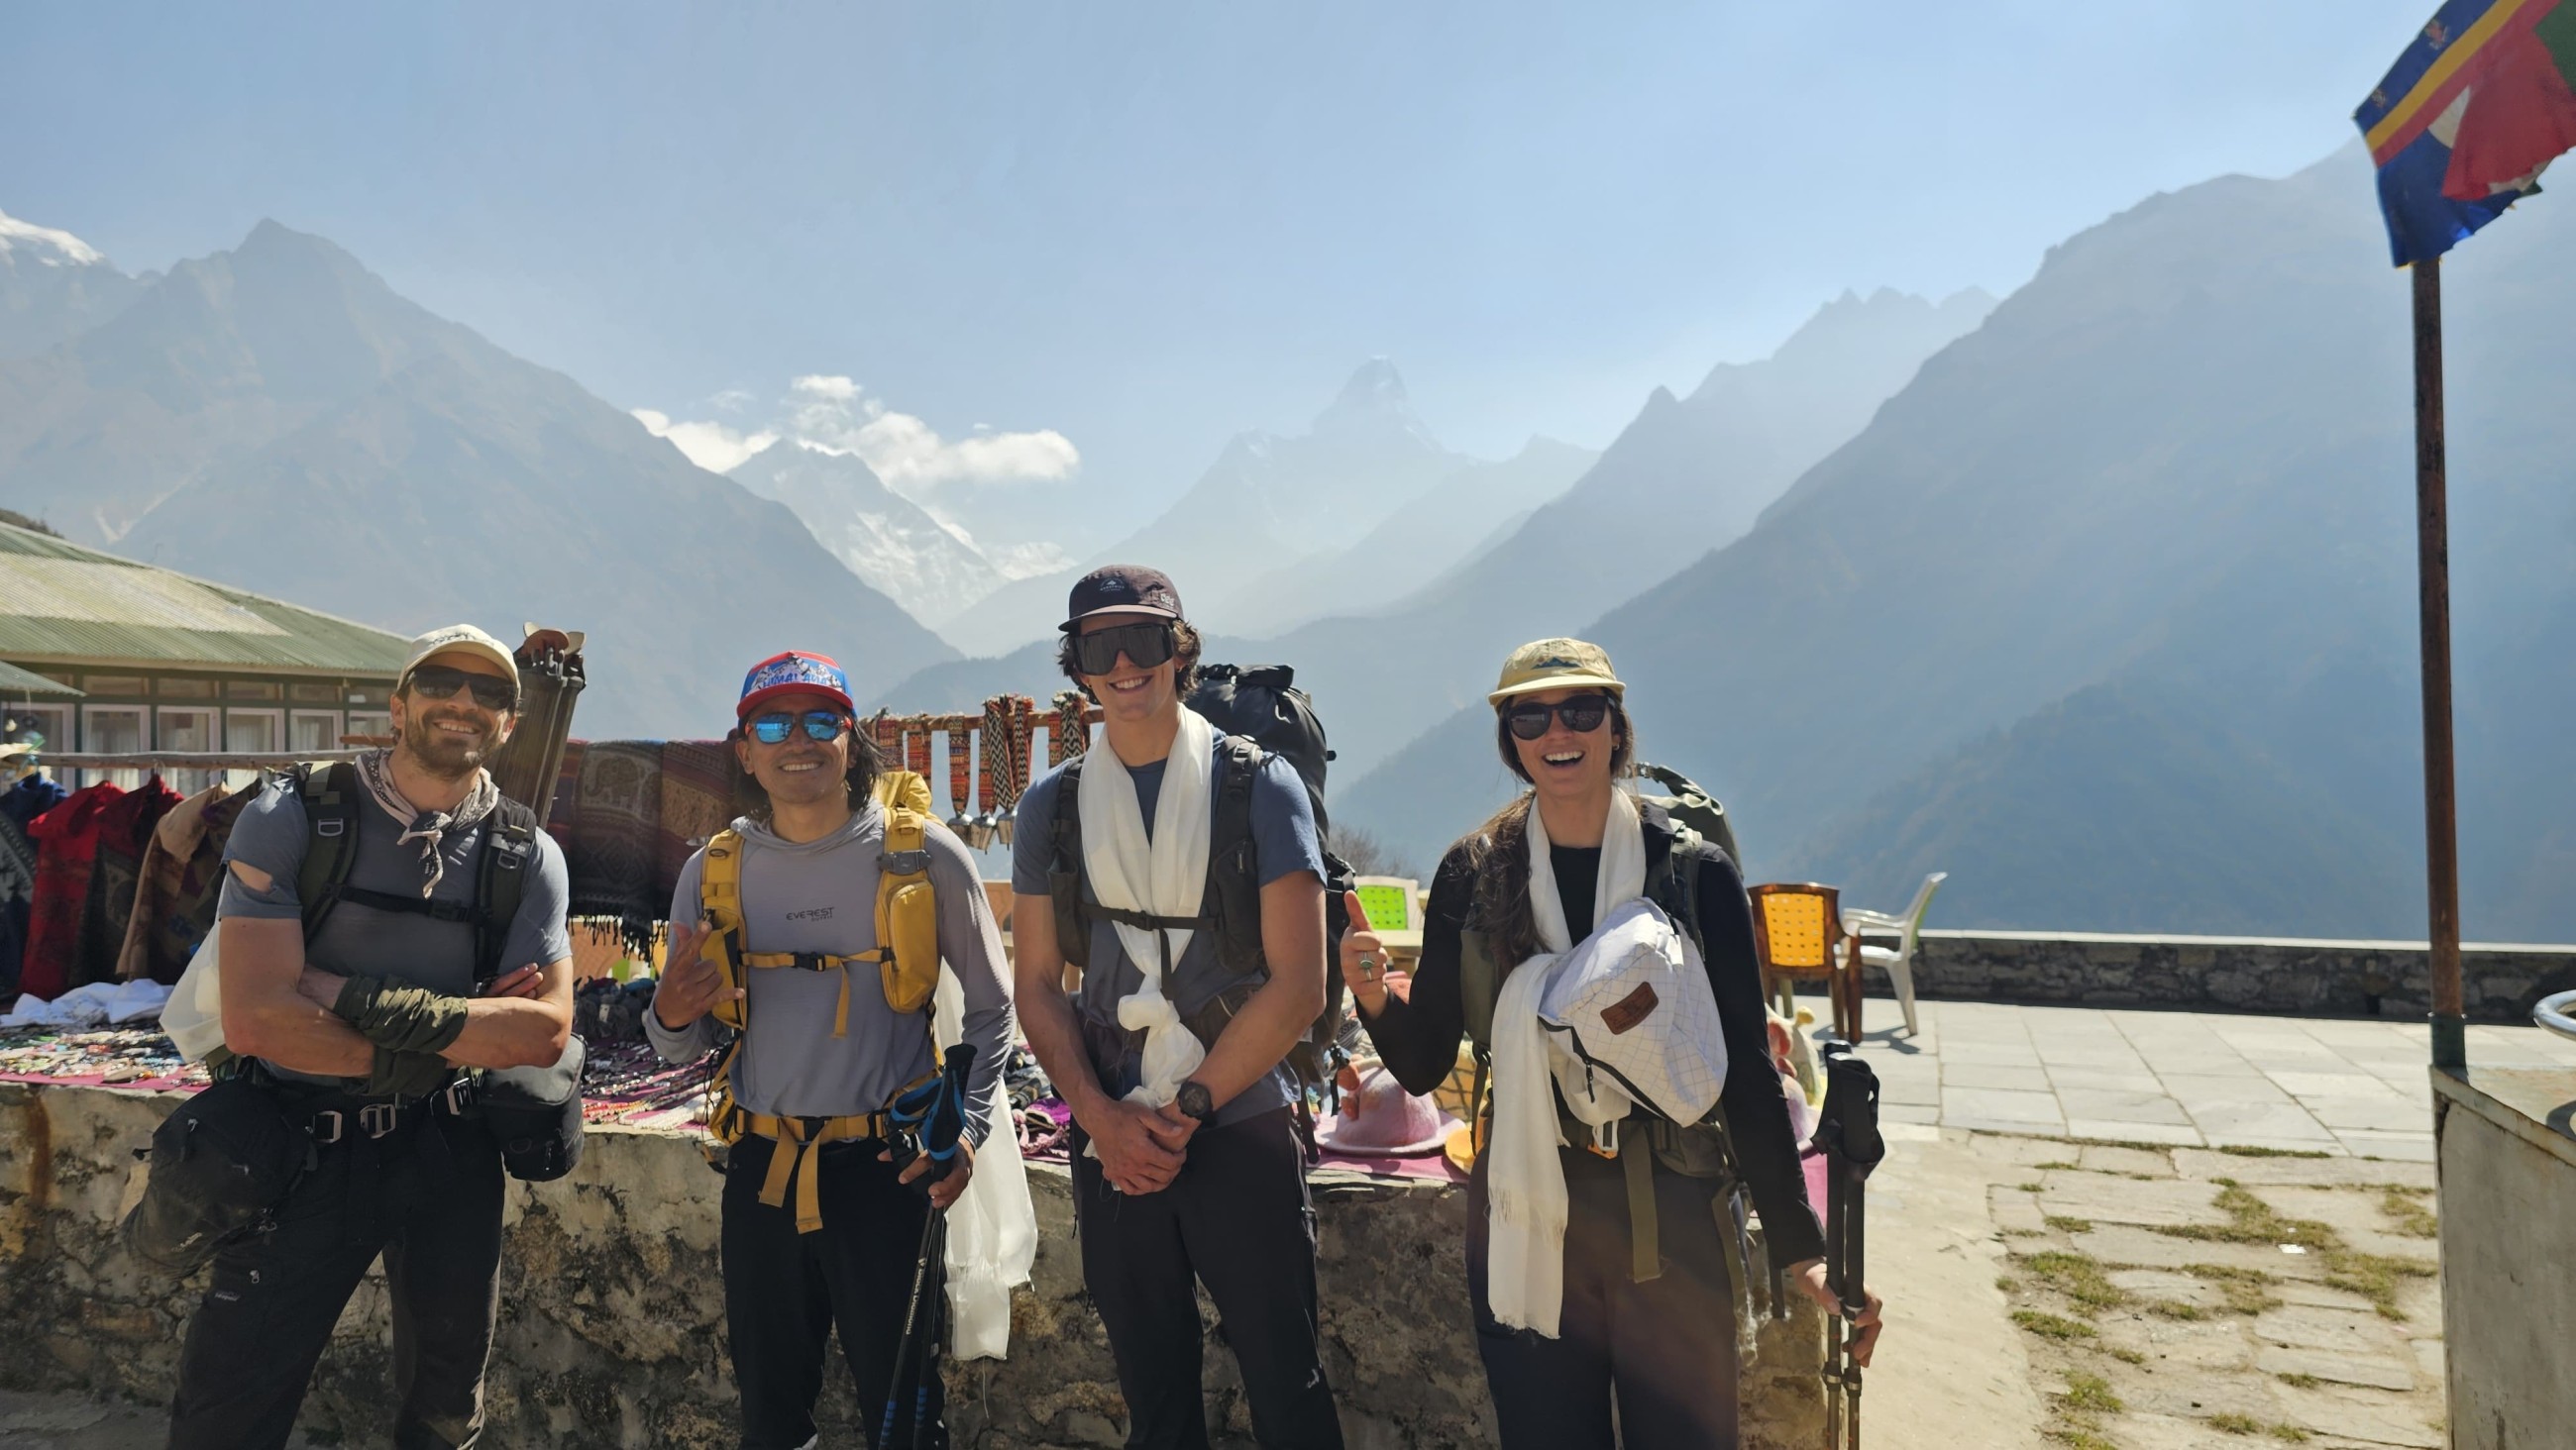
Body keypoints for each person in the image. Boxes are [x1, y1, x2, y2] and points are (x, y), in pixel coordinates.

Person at [1342, 637, 1884, 1450]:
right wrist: (1373, 995)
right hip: (1530, 1206)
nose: (1557, 731)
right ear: (1510, 740)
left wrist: (1801, 1248)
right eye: (1530, 716)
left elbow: (1744, 1069)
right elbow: (1423, 1064)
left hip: (1671, 1206)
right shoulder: (1475, 875)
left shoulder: (1690, 873)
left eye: (1580, 709)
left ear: (1616, 726)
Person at [169, 624, 575, 1450]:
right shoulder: (293, 815)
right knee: (229, 1408)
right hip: (300, 1144)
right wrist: (463, 1031)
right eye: (440, 682)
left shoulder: (525, 852)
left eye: (490, 692)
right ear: (398, 705)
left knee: (446, 1409)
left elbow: (541, 1035)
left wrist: (344, 996)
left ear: (510, 722)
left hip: (448, 1152)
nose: (463, 701)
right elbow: (257, 1021)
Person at [1010, 566, 1344, 1450]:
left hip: (1236, 1120)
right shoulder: (1051, 808)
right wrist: (1100, 1119)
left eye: (1144, 640)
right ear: (1078, 667)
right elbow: (1036, 982)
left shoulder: (1260, 787)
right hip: (1113, 1126)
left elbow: (1300, 985)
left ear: (1179, 650)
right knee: (1153, 1393)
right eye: (1099, 647)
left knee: (1287, 1384)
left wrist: (1182, 1111)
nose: (1124, 664)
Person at [647, 649, 1015, 1450]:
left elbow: (993, 1009)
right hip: (761, 1170)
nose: (798, 740)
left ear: (854, 741)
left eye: (821, 720)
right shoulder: (712, 873)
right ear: (743, 752)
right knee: (771, 1420)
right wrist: (669, 1014)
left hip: (889, 1172)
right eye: (772, 725)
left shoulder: (924, 856)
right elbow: (680, 1044)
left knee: (906, 1418)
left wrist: (967, 1129)